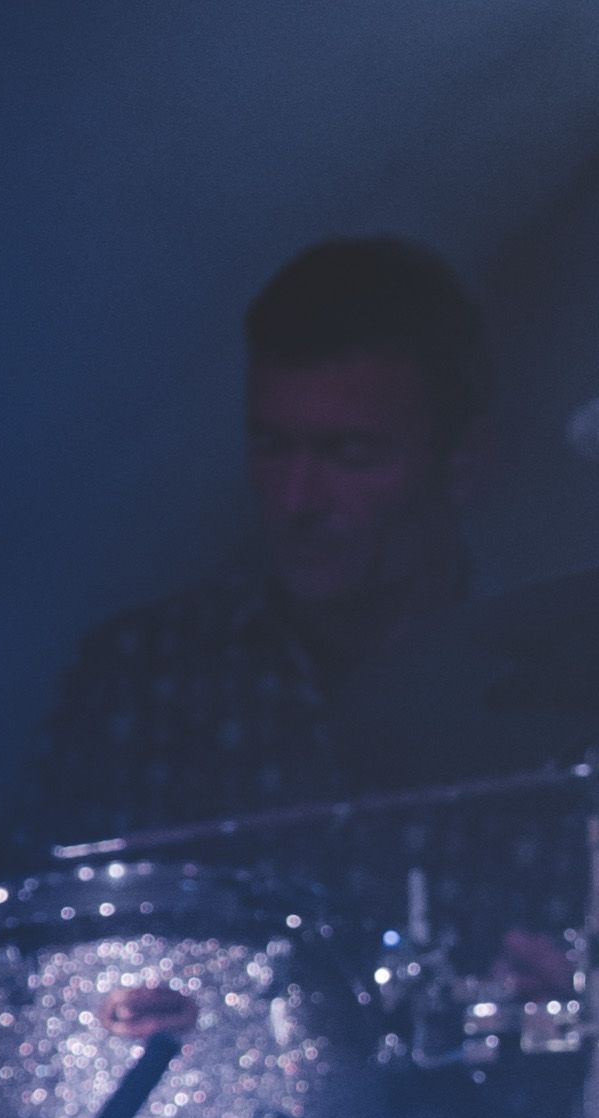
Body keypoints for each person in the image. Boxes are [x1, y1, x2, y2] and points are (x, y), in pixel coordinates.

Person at [38, 234, 498, 841]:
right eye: (272, 447)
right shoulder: (135, 683)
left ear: (461, 467)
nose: (295, 499)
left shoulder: (551, 686)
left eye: (349, 454)